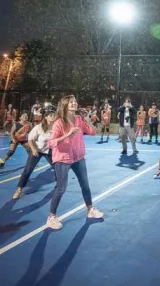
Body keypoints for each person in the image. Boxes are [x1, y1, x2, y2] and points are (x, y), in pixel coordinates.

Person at [46, 95, 103, 230]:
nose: (74, 103)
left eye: (75, 102)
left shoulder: (78, 119)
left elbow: (92, 132)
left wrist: (88, 119)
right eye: (71, 102)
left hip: (78, 157)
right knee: (61, 188)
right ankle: (51, 217)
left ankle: (90, 210)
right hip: (62, 158)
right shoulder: (59, 122)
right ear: (65, 105)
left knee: (85, 185)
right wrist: (67, 134)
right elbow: (51, 142)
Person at [13, 105, 57, 199]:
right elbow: (30, 139)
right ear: (46, 117)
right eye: (50, 115)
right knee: (28, 169)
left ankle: (59, 186)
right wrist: (33, 149)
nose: (53, 117)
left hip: (49, 150)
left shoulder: (56, 127)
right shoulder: (39, 127)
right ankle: (19, 189)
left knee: (58, 169)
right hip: (37, 149)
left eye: (54, 115)